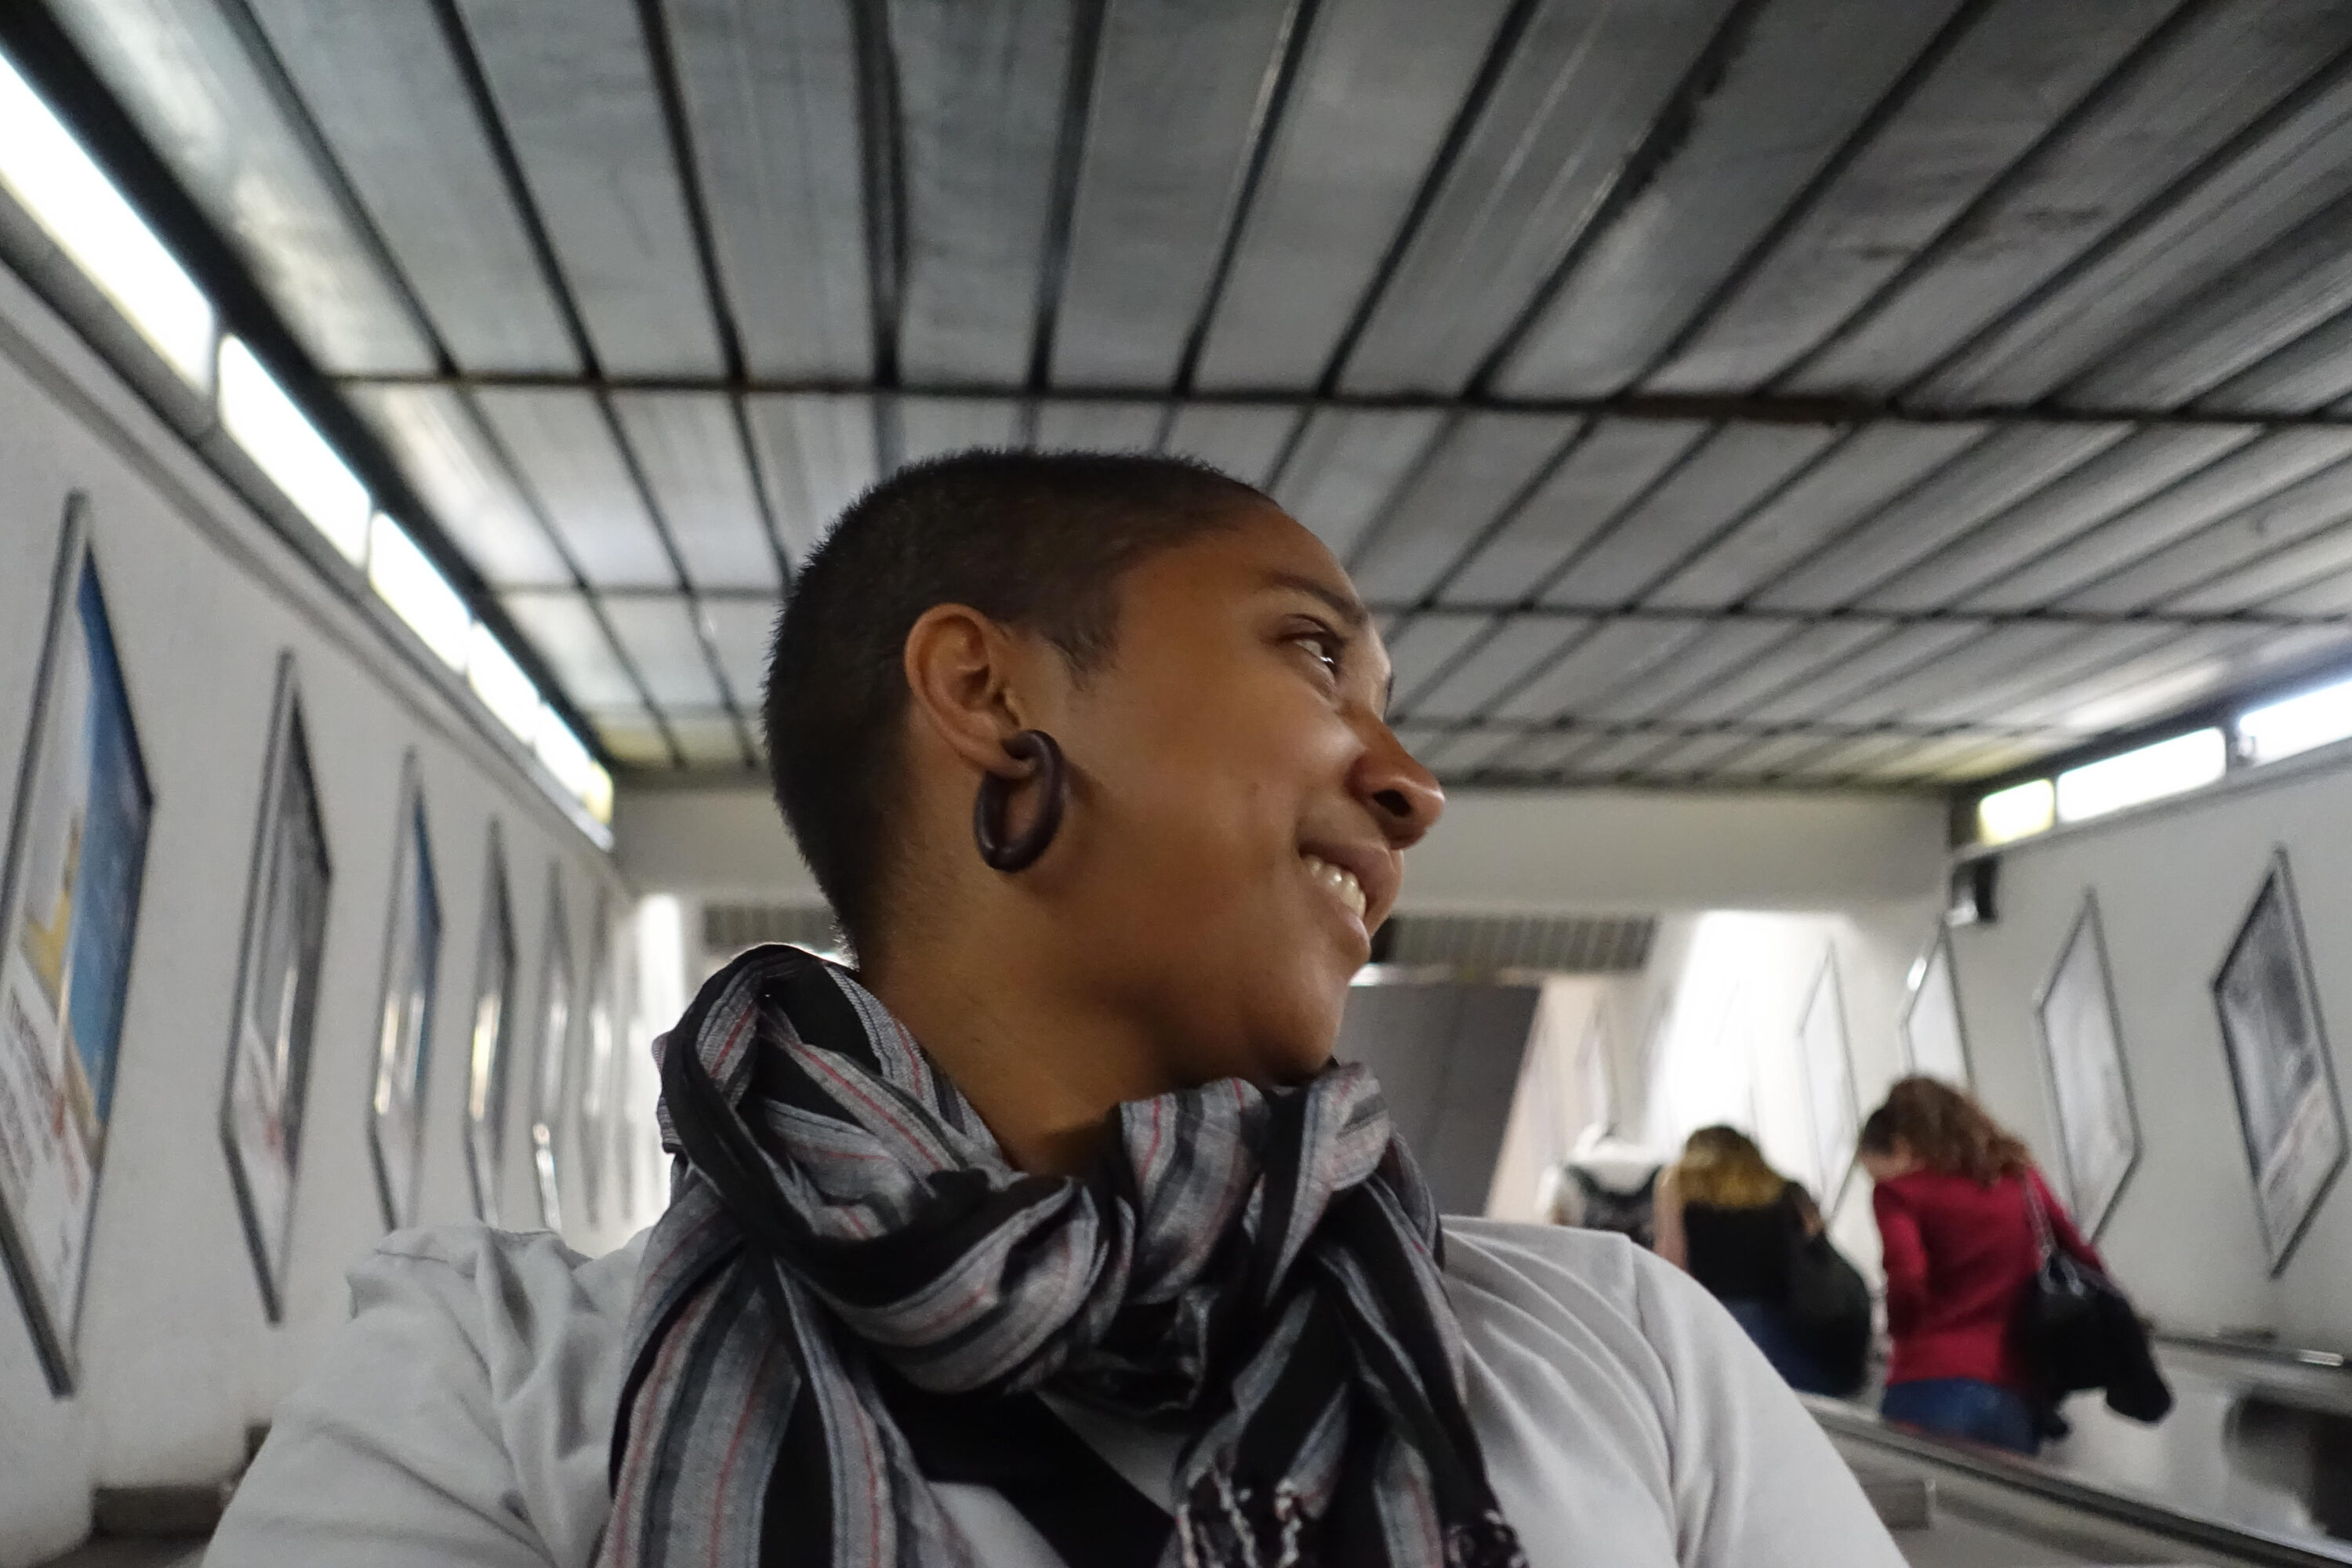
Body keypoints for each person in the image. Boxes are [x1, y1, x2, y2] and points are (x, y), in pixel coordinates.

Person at [209, 452, 1902, 1567]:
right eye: (1316, 657)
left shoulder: (1616, 1349)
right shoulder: (486, 1388)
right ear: (987, 691)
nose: (1410, 785)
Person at [1860, 1076, 2103, 1456]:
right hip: (2015, 1391)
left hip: (1929, 1382)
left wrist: (1901, 1330)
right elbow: (2081, 1256)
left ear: (1905, 1139)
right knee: (2003, 1512)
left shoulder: (1899, 1194)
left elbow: (1907, 1276)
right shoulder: (2021, 1179)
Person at [1653, 1127, 1846, 1396]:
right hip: (1790, 1325)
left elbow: (1671, 1261)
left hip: (1717, 1322)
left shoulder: (1679, 1183)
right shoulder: (1785, 1188)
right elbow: (1817, 1250)